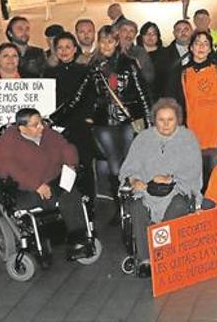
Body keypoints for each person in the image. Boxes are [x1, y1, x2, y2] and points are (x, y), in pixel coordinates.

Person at [51, 25, 152, 203]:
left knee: (129, 163)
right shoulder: (94, 67)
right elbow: (78, 96)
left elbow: (142, 94)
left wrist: (149, 124)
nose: (106, 46)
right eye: (103, 42)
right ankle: (120, 203)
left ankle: (133, 201)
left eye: (110, 41)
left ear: (117, 43)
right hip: (104, 122)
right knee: (114, 165)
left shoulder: (129, 64)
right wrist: (54, 118)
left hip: (127, 120)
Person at [0, 108, 93, 265]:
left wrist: (71, 163)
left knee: (72, 195)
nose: (41, 126)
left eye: (40, 122)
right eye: (35, 125)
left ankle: (78, 241)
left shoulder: (49, 134)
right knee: (40, 203)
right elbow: (10, 168)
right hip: (24, 188)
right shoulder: (6, 142)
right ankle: (42, 248)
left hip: (52, 182)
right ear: (22, 128)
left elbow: (66, 147)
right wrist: (36, 185)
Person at [119, 98, 203, 278]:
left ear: (178, 120)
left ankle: (163, 255)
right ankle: (145, 260)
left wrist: (169, 178)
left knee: (179, 205)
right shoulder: (143, 138)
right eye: (161, 120)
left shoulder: (187, 138)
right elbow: (129, 168)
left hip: (176, 189)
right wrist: (135, 180)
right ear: (154, 120)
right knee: (136, 207)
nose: (165, 124)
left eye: (170, 120)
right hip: (147, 190)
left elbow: (193, 171)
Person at [171, 31, 217, 192]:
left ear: (210, 49)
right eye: (197, 43)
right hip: (195, 135)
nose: (201, 47)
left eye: (206, 43)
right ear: (191, 47)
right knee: (197, 180)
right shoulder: (182, 73)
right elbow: (178, 105)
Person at [43, 32, 94, 199]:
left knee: (82, 164)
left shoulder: (85, 71)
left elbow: (88, 99)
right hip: (57, 128)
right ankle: (65, 202)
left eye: (68, 47)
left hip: (79, 125)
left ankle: (88, 201)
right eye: (60, 48)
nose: (64, 51)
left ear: (74, 49)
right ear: (55, 51)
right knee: (60, 165)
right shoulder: (48, 74)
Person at [157, 19, 194, 96]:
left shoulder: (203, 52)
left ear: (192, 31)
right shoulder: (163, 54)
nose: (183, 32)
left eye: (186, 29)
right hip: (174, 100)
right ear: (174, 33)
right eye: (179, 30)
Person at [118, 20, 155, 93]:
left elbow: (150, 78)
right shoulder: (111, 50)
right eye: (125, 30)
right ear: (118, 32)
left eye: (132, 31)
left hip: (136, 95)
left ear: (135, 35)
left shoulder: (140, 52)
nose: (128, 34)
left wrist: (139, 69)